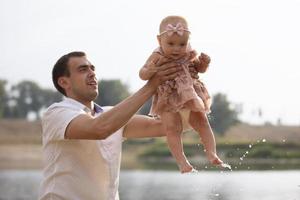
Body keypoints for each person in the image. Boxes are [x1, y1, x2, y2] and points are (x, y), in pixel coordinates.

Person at [38, 51, 189, 200]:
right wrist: (151, 87)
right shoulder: (56, 113)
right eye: (83, 69)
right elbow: (99, 129)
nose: (92, 73)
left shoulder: (110, 115)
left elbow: (169, 125)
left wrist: (187, 84)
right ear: (64, 82)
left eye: (93, 68)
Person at [139, 15, 223, 173]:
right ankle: (182, 161)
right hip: (168, 96)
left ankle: (211, 153)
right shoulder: (157, 55)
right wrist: (148, 71)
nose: (177, 49)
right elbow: (142, 74)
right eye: (171, 44)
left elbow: (198, 68)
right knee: (172, 128)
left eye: (181, 44)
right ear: (159, 41)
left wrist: (204, 63)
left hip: (190, 92)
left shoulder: (189, 52)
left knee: (202, 121)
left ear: (188, 41)